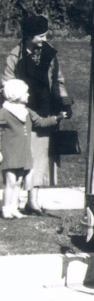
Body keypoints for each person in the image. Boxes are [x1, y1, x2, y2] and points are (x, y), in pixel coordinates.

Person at [2, 15, 73, 216]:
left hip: (43, 110)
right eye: (40, 36)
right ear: (29, 35)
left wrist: (64, 103)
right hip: (20, 113)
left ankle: (33, 202)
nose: (43, 39)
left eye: (45, 35)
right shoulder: (15, 56)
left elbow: (58, 81)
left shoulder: (49, 54)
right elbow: (6, 83)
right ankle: (13, 204)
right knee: (21, 158)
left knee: (40, 157)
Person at [0, 79, 66, 219]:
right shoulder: (4, 112)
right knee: (10, 181)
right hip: (10, 153)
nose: (28, 95)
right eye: (26, 92)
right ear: (16, 95)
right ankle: (6, 209)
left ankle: (14, 208)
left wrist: (57, 118)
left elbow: (41, 122)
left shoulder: (27, 112)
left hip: (23, 153)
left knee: (18, 182)